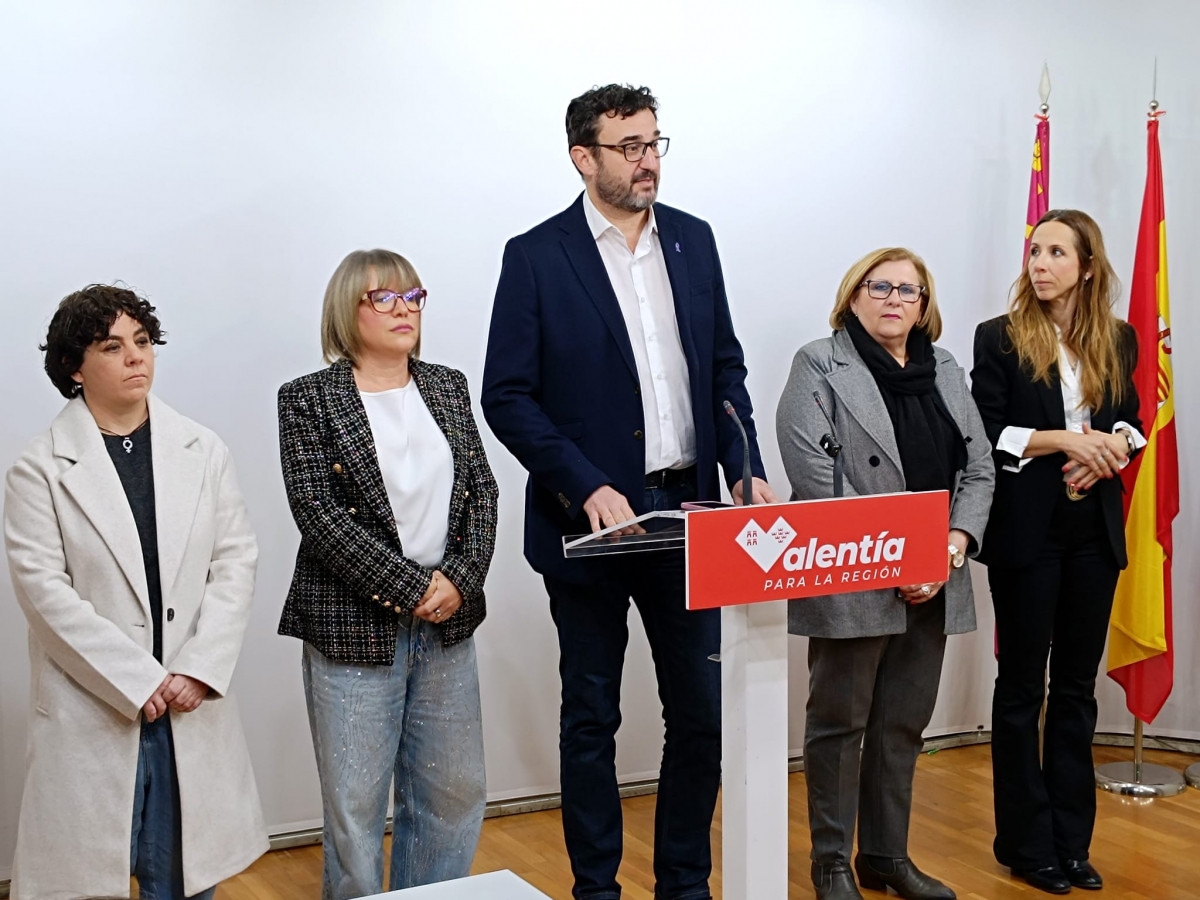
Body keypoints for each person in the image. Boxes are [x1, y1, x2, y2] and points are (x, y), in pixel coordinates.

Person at [481, 83, 778, 900]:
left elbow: (724, 370)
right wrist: (586, 484)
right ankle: (597, 891)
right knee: (592, 718)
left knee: (702, 714)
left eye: (654, 143)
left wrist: (743, 464)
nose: (648, 161)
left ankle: (683, 884)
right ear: (584, 157)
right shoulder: (537, 256)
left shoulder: (693, 239)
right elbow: (507, 395)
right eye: (630, 147)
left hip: (692, 517)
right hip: (591, 531)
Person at [4, 285, 267, 900]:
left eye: (143, 342)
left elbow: (235, 560)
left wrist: (199, 668)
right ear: (74, 367)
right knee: (85, 883)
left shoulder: (203, 449)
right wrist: (137, 678)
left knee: (184, 878)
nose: (135, 357)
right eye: (111, 346)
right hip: (94, 703)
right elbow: (44, 593)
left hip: (186, 701)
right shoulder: (38, 467)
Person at [277, 249, 498, 899]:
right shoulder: (308, 399)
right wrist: (413, 587)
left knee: (454, 790)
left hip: (447, 623)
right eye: (385, 298)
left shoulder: (447, 386)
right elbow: (318, 515)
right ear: (347, 310)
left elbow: (481, 492)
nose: (405, 310)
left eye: (413, 297)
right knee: (356, 807)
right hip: (353, 627)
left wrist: (458, 578)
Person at [776, 248, 994, 900]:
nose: (895, 299)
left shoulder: (945, 368)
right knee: (839, 726)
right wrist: (898, 556)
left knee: (902, 726)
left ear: (924, 305)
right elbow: (814, 473)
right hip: (853, 572)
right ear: (854, 295)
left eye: (909, 290)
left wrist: (950, 546)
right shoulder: (820, 363)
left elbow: (979, 467)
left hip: (936, 576)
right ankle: (831, 863)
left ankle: (885, 857)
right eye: (881, 287)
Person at [971, 209, 1143, 895]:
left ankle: (1072, 844)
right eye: (1035, 251)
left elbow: (1131, 421)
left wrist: (1112, 447)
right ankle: (1026, 845)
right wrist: (1066, 441)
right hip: (1029, 534)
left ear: (1088, 267)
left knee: (1076, 691)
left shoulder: (1119, 339)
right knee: (1022, 690)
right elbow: (988, 433)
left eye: (1056, 253)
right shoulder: (1000, 337)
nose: (1039, 264)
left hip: (1093, 533)